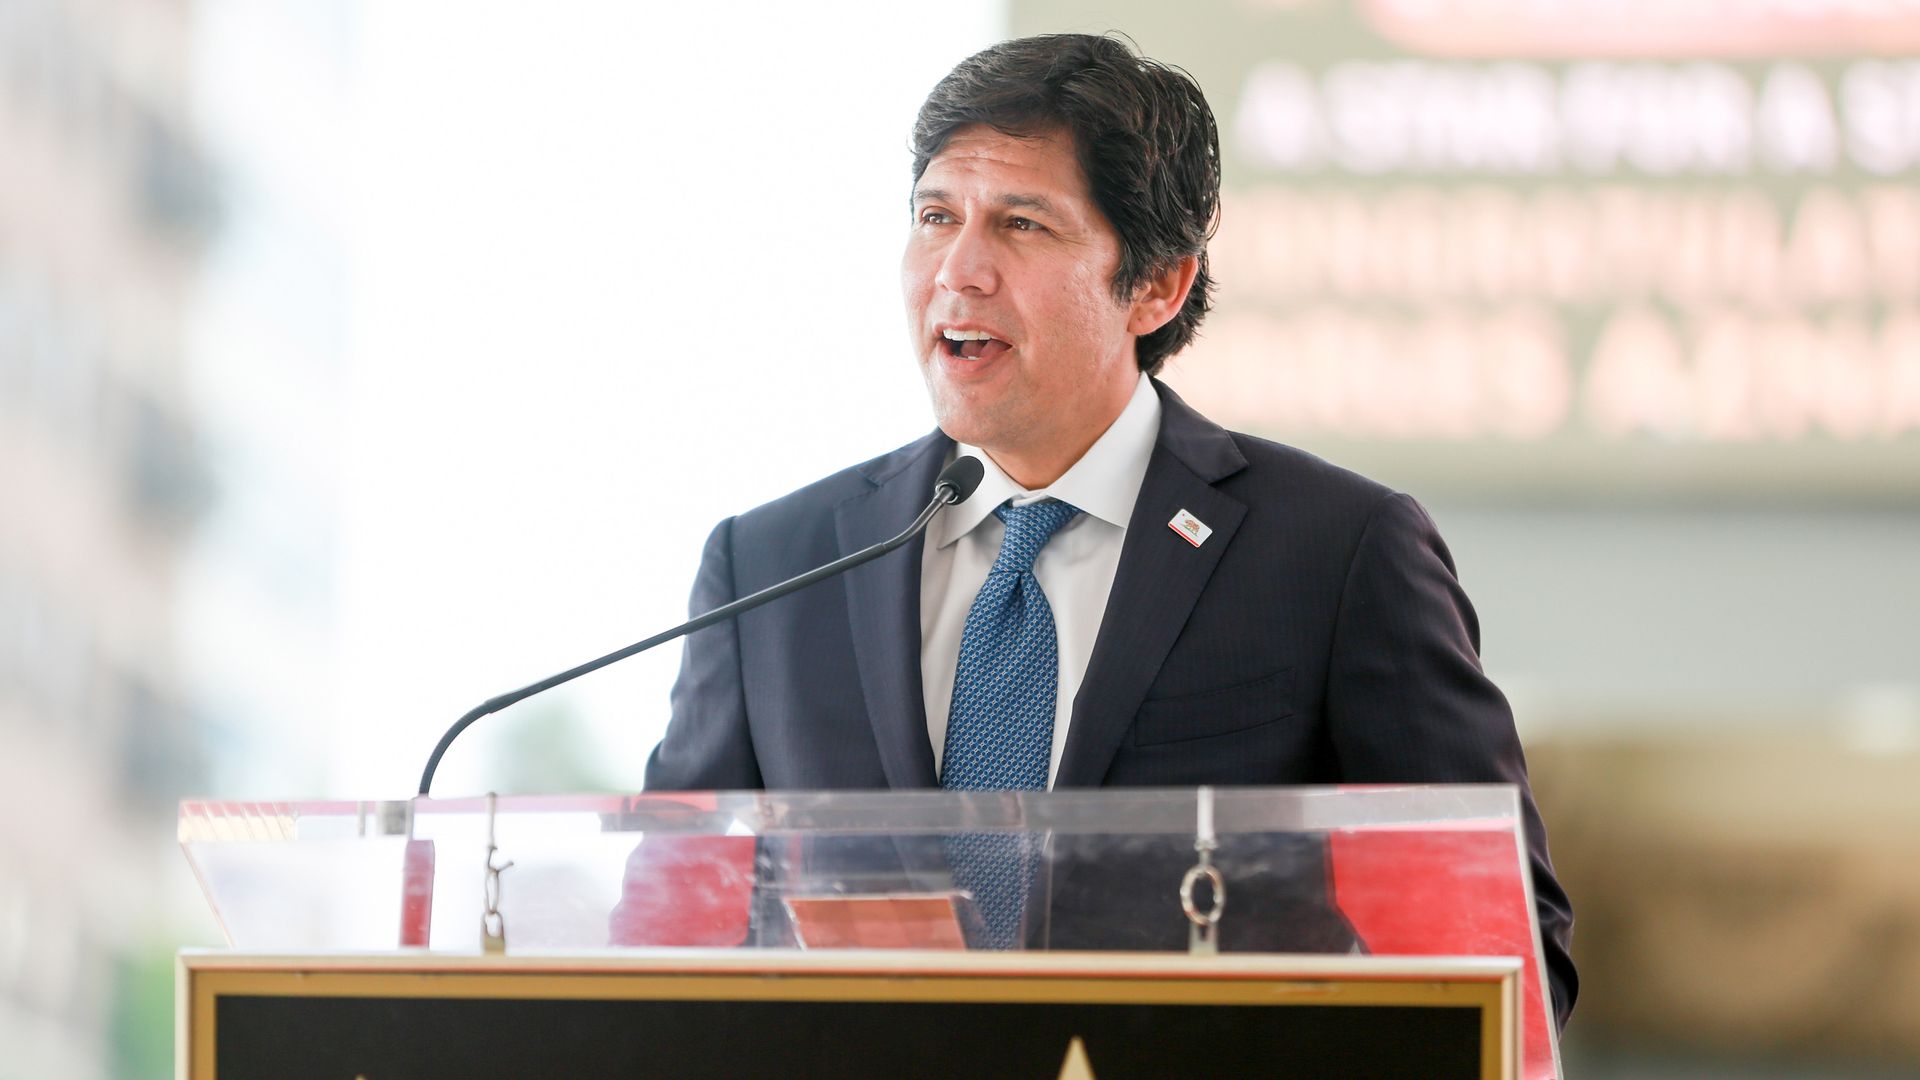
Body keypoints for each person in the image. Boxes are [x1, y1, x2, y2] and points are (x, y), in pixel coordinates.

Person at [643, 32, 1575, 1024]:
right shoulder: (773, 568)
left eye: (1022, 225)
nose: (958, 270)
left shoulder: (1338, 552)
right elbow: (661, 940)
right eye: (936, 216)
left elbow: (1502, 959)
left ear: (1157, 285)